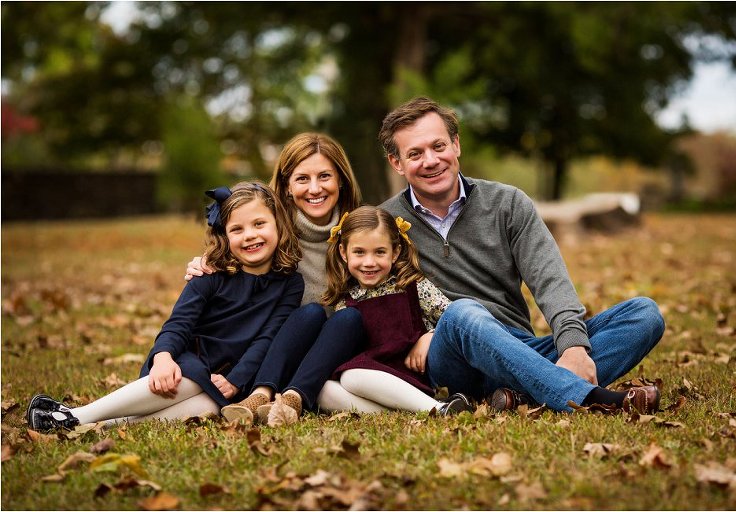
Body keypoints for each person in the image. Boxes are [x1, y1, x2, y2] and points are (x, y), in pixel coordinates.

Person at [377, 97, 666, 414]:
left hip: (520, 347)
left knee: (644, 314)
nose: (431, 161)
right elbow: (371, 301)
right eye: (415, 154)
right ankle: (587, 399)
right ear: (397, 163)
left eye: (438, 146)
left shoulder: (507, 203)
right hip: (449, 354)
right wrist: (417, 338)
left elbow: (550, 279)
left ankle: (519, 395)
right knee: (461, 313)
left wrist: (572, 346)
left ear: (456, 145)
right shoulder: (384, 224)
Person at [26, 181, 304, 431]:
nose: (249, 236)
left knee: (209, 409)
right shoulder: (210, 273)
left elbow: (270, 335)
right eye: (237, 229)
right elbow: (180, 321)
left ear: (278, 223)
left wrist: (237, 379)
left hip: (228, 375)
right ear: (224, 235)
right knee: (192, 377)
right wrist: (163, 357)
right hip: (187, 359)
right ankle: (78, 415)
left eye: (259, 224)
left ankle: (85, 424)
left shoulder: (290, 283)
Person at [188, 133, 367, 425]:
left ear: (342, 180)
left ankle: (293, 399)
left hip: (337, 355)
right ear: (285, 186)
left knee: (349, 318)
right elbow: (231, 255)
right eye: (302, 179)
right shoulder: (270, 235)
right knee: (309, 312)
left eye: (325, 176)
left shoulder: (363, 234)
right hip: (274, 355)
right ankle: (261, 394)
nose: (314, 189)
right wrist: (205, 263)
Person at [315, 206, 473, 415]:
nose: (369, 262)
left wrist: (430, 336)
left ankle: (436, 408)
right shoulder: (344, 301)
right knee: (321, 390)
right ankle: (416, 411)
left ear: (395, 252)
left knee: (351, 377)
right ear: (344, 253)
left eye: (380, 252)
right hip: (367, 379)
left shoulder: (412, 285)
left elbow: (453, 319)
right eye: (359, 252)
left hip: (407, 375)